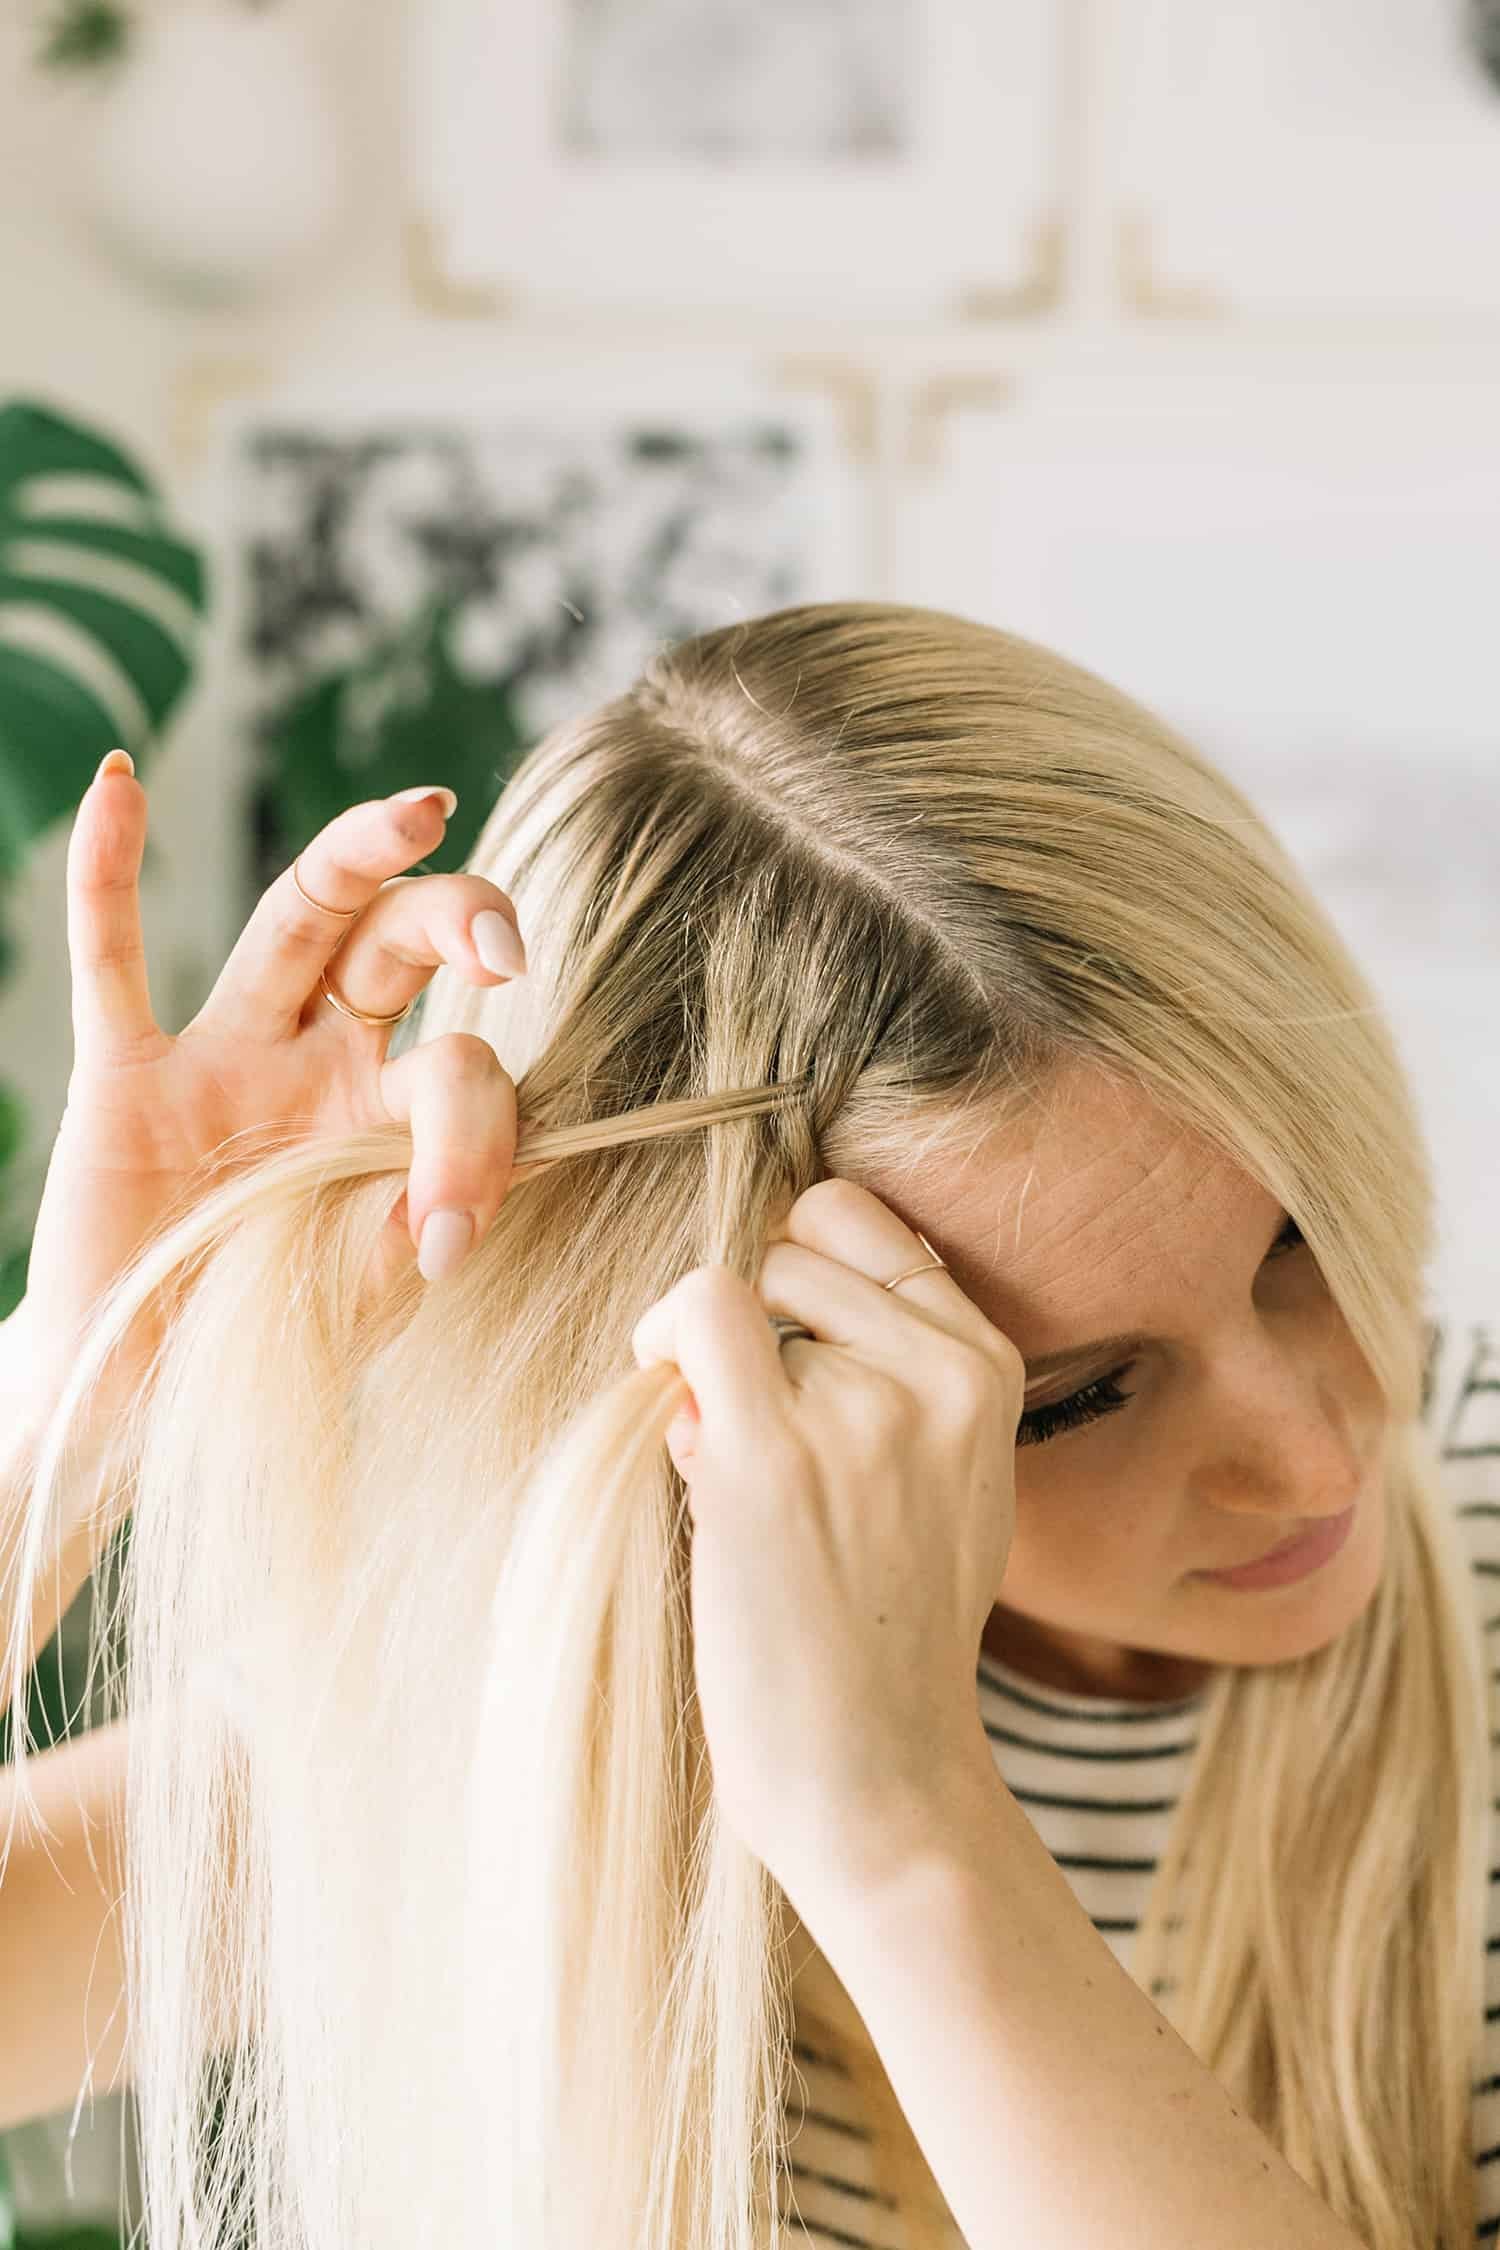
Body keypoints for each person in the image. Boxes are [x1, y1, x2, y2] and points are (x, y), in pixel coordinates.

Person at [0, 601, 1487, 2250]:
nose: (1319, 1450)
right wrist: (80, 1389)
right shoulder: (525, 1694)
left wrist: (906, 1836)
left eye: (1303, 1243)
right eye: (1072, 1397)